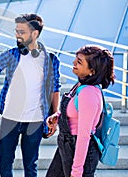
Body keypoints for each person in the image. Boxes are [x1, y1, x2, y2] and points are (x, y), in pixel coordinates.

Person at [0, 13, 61, 177]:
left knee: (30, 166)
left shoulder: (50, 59)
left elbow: (55, 88)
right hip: (10, 118)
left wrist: (55, 115)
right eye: (16, 31)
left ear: (35, 33)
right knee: (5, 163)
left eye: (22, 32)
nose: (17, 35)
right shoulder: (12, 54)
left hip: (35, 120)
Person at [45, 45, 115, 177]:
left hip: (79, 150)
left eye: (79, 61)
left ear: (92, 71)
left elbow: (84, 135)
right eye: (76, 59)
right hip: (66, 145)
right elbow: (75, 113)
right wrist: (57, 117)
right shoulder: (80, 86)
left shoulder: (88, 93)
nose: (74, 63)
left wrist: (77, 171)